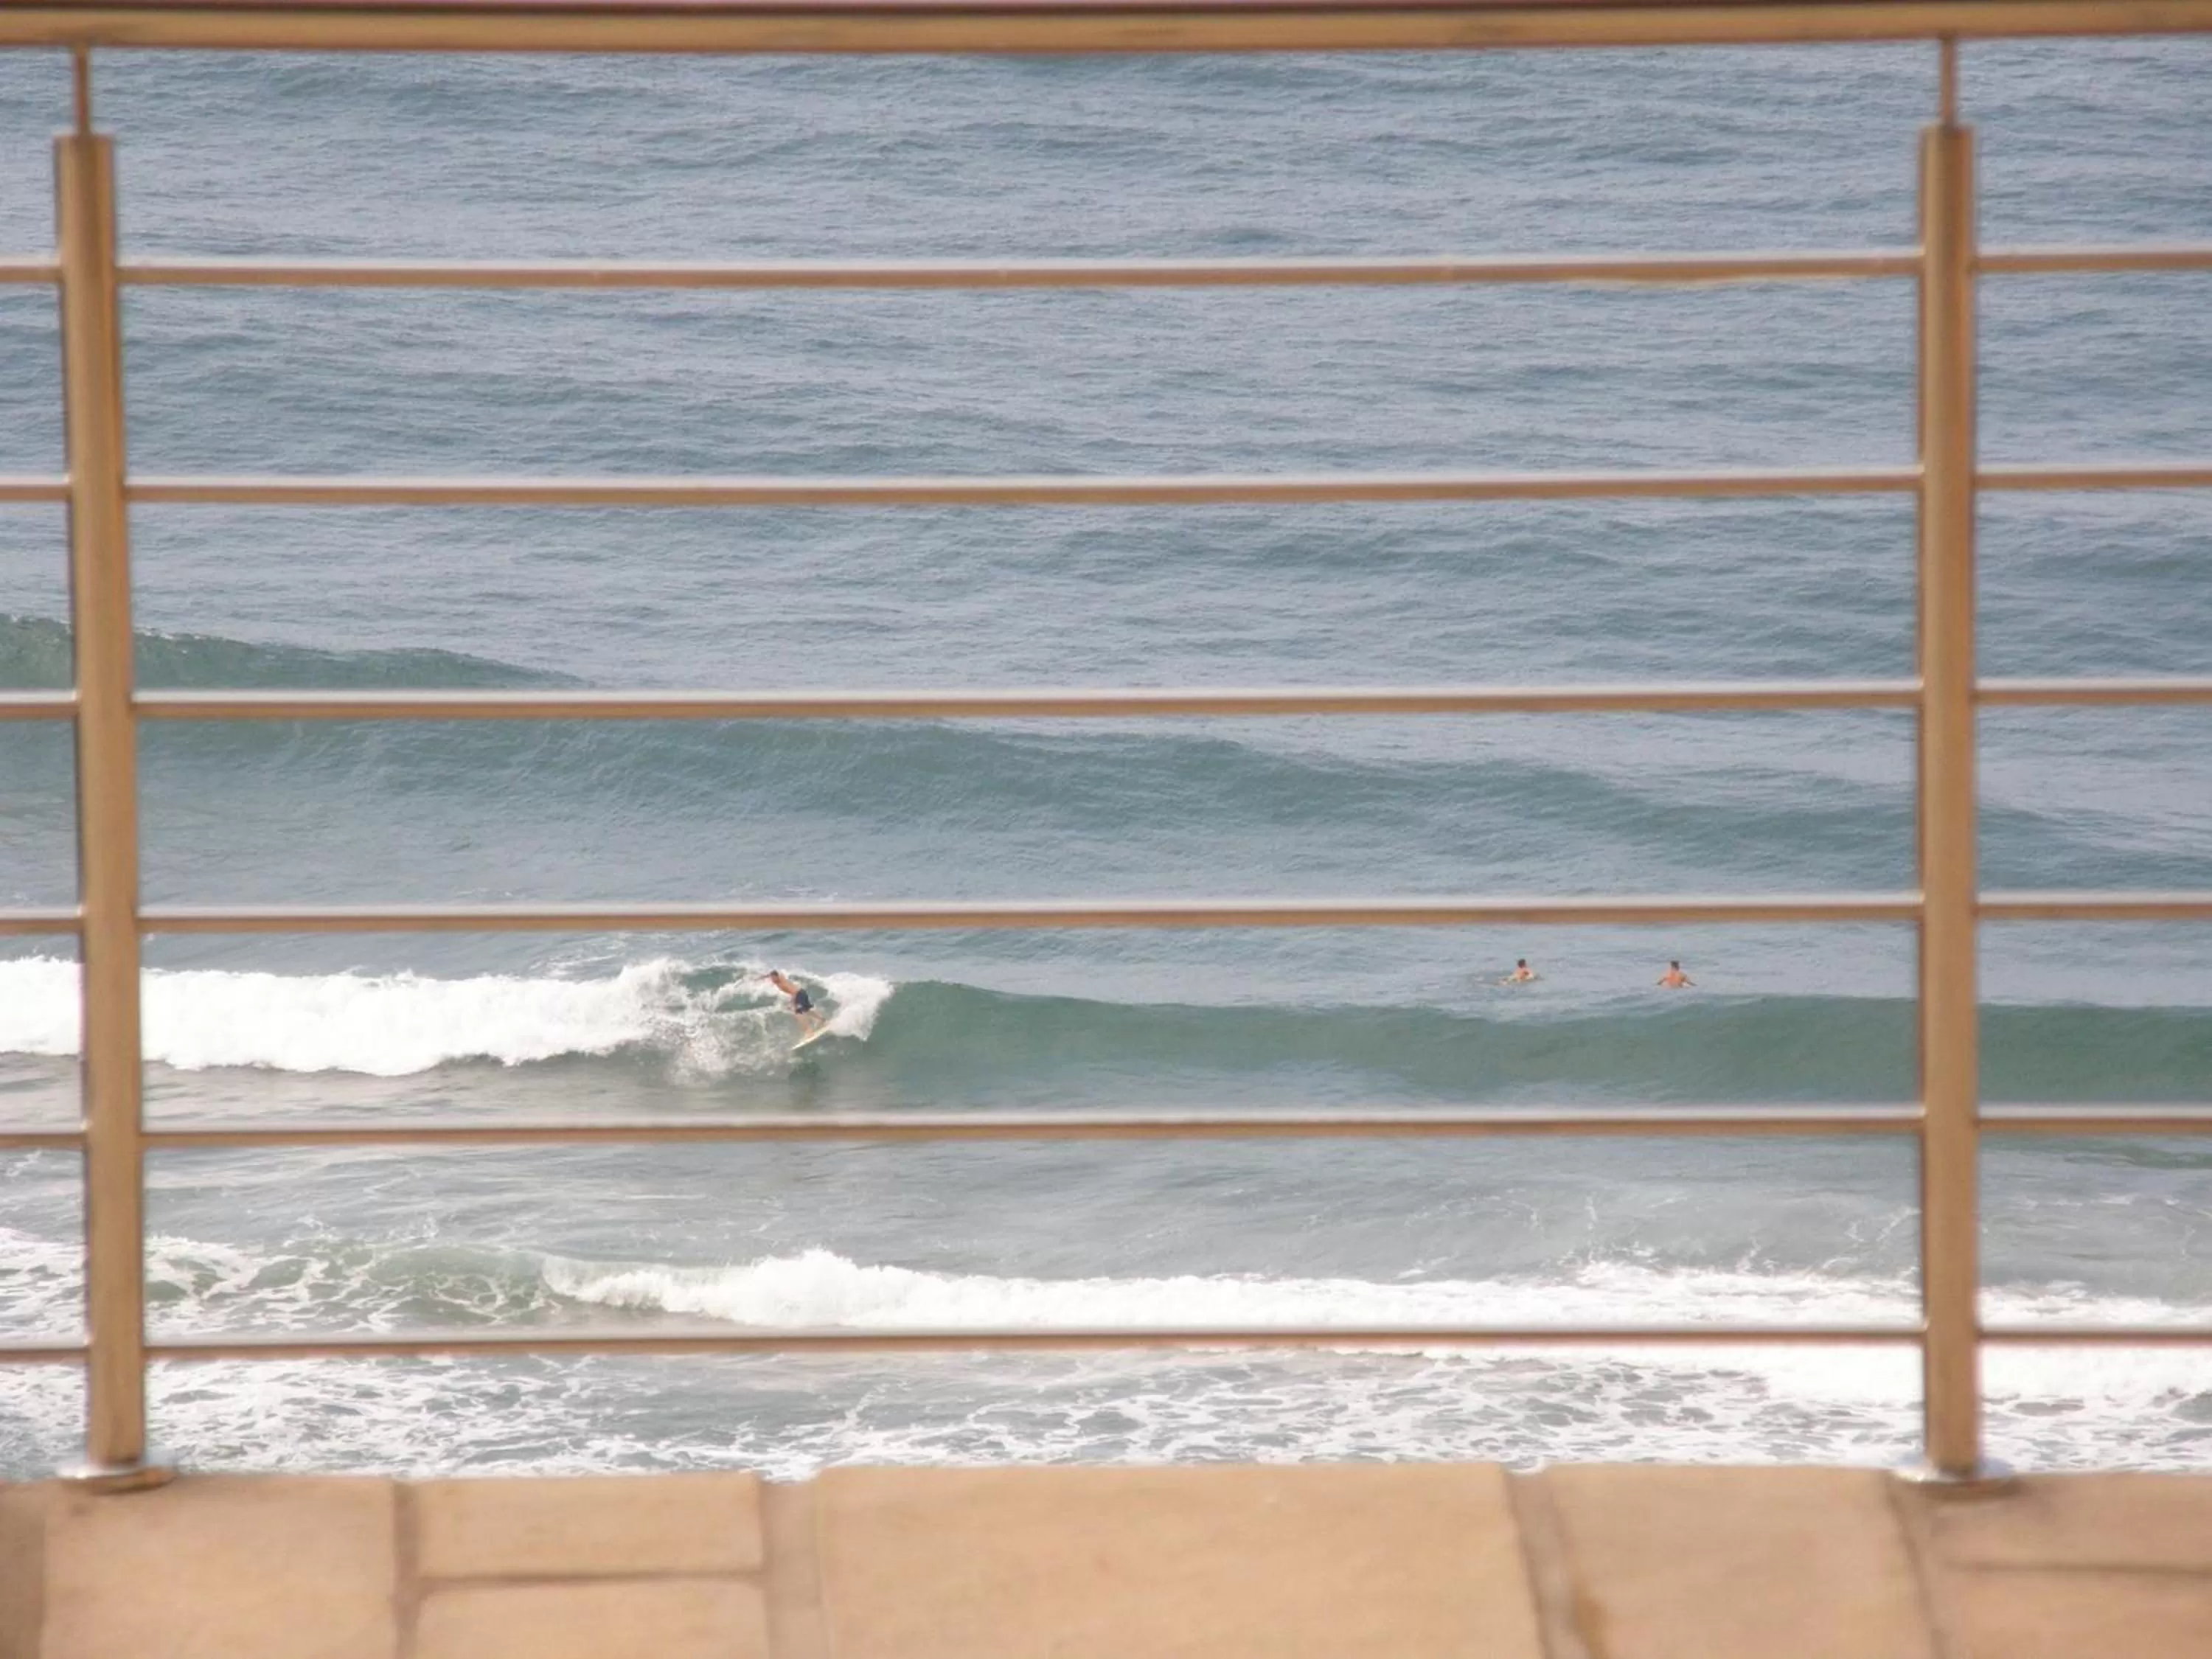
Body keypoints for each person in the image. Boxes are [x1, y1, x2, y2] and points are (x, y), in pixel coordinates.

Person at [766, 969, 827, 1037]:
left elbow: (794, 993)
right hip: (802, 992)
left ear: (777, 977)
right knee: (807, 1010)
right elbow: (776, 973)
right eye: (771, 978)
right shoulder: (781, 977)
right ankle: (823, 1020)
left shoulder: (783, 984)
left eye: (773, 978)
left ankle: (809, 1032)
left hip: (799, 995)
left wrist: (793, 1005)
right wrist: (764, 976)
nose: (772, 980)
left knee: (799, 1014)